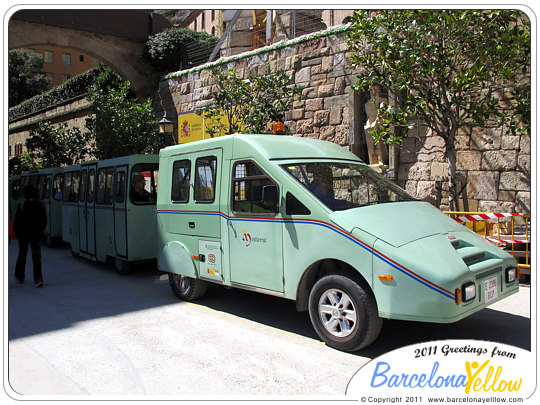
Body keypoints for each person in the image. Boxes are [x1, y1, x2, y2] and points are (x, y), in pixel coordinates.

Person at [13, 185, 47, 287]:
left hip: (23, 235)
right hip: (36, 234)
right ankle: (38, 278)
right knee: (36, 256)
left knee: (22, 254)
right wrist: (41, 232)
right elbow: (44, 221)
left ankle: (19, 274)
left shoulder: (22, 205)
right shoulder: (41, 205)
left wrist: (17, 234)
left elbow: (17, 222)